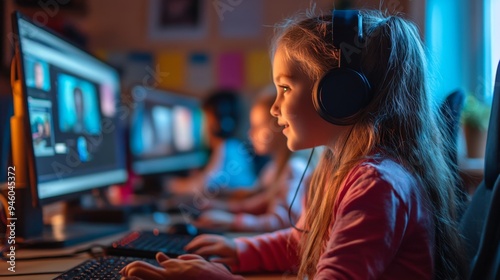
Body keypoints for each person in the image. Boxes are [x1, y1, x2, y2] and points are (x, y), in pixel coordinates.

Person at [121, 9, 466, 279]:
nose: (275, 108)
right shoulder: (338, 168)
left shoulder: (378, 185)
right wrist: (239, 251)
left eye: (285, 88)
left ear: (339, 94)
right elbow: (304, 243)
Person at [193, 88, 310, 232]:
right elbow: (260, 202)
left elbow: (282, 222)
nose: (250, 133)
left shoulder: (294, 169)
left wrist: (233, 221)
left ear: (280, 126)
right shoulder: (272, 169)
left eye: (256, 127)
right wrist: (221, 207)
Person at [167, 89, 257, 196]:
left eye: (206, 119)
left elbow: (202, 185)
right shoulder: (231, 146)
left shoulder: (228, 148)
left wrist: (171, 185)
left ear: (221, 123)